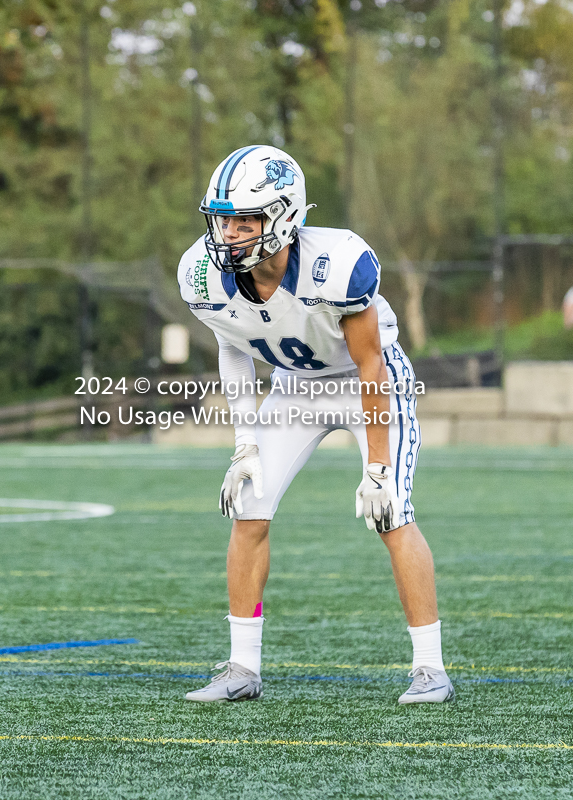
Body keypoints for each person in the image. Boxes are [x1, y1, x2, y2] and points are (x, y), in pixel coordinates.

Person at [177, 145, 454, 705]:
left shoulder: (339, 262)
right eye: (222, 218)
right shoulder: (202, 273)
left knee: (391, 511)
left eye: (244, 219)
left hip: (362, 380)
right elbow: (233, 350)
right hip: (294, 387)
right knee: (249, 505)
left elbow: (372, 364)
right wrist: (244, 445)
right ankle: (241, 668)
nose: (228, 232)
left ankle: (430, 669)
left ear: (284, 217)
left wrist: (377, 466)